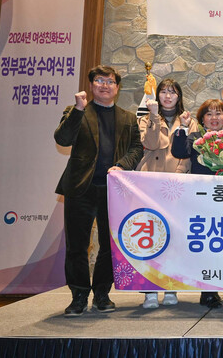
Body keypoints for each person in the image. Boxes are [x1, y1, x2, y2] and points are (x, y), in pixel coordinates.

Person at [54, 65, 143, 317]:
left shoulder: (127, 118)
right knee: (77, 246)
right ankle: (79, 295)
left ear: (117, 87)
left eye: (110, 81)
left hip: (113, 190)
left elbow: (137, 148)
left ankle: (102, 293)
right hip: (79, 188)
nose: (104, 85)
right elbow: (62, 139)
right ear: (92, 85)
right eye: (99, 80)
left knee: (109, 246)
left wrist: (122, 165)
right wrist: (78, 109)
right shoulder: (76, 111)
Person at [172, 98, 223, 308]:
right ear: (202, 119)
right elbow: (179, 152)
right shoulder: (196, 138)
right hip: (202, 199)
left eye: (218, 113)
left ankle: (219, 283)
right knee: (207, 243)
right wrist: (182, 127)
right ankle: (208, 291)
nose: (214, 118)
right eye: (209, 114)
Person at [136, 78, 196, 309]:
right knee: (150, 237)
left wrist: (178, 176)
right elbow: (153, 144)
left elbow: (190, 153)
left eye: (173, 92)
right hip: (150, 185)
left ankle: (171, 287)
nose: (168, 96)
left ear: (179, 96)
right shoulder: (145, 119)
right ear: (157, 95)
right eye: (163, 92)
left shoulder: (189, 120)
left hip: (177, 185)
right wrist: (153, 116)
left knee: (174, 239)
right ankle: (150, 291)